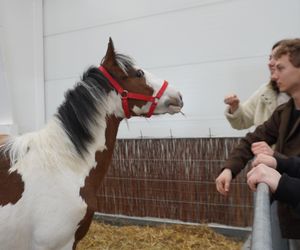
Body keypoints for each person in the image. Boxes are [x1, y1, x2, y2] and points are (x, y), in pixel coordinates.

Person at [215, 38, 300, 239]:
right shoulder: (284, 112)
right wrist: (229, 168)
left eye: (280, 67)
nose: (273, 73)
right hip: (291, 211)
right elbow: (251, 138)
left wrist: (279, 163)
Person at [224, 40, 289, 129]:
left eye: (277, 58)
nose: (270, 63)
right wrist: (234, 107)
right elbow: (242, 121)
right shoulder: (265, 91)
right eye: (270, 58)